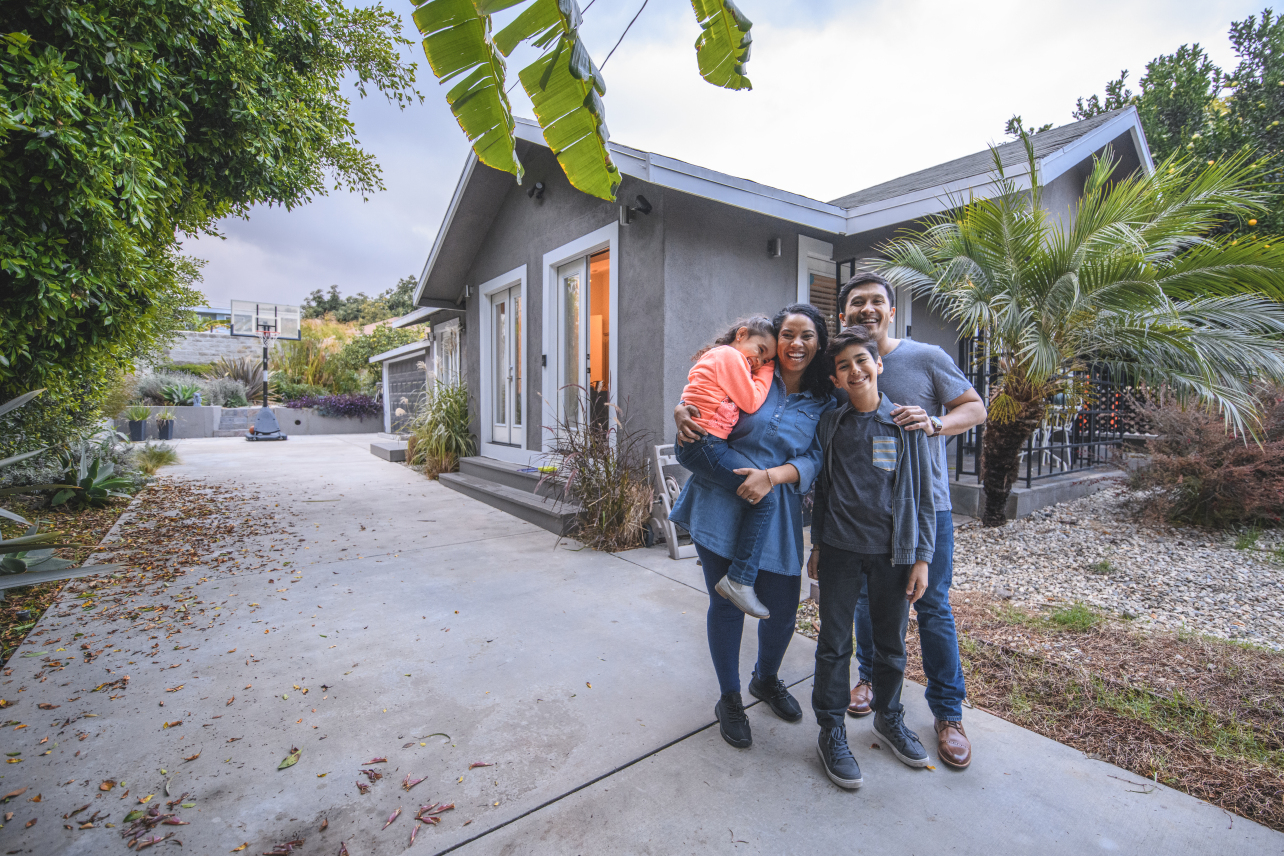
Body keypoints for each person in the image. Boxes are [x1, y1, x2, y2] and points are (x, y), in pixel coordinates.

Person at [836, 272, 987, 770]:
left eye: (877, 301)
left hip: (928, 506)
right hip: (867, 513)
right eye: (858, 303)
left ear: (891, 311)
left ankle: (948, 713)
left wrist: (936, 422)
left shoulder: (926, 357)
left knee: (932, 605)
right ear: (844, 315)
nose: (867, 309)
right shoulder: (841, 366)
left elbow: (975, 407)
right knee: (867, 599)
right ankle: (871, 680)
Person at [670, 304, 836, 750]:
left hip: (775, 506)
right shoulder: (753, 371)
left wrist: (775, 476)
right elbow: (705, 394)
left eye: (807, 337)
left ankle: (765, 679)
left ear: (819, 344)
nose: (795, 344)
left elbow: (819, 459)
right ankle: (729, 698)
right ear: (774, 339)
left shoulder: (824, 400)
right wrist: (682, 411)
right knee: (725, 603)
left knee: (782, 607)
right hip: (720, 501)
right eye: (787, 335)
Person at [807, 326, 936, 789]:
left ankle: (889, 716)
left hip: (893, 554)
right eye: (843, 366)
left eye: (862, 360)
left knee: (891, 644)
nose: (855, 370)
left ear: (879, 364)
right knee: (835, 644)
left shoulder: (904, 423)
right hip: (841, 551)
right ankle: (831, 730)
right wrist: (818, 545)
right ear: (836, 379)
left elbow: (921, 494)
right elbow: (823, 490)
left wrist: (921, 556)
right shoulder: (832, 424)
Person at [675, 316, 779, 619]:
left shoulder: (722, 357)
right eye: (760, 350)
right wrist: (770, 370)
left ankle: (710, 549)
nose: (759, 361)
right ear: (741, 334)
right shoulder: (730, 356)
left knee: (743, 496)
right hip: (705, 444)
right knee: (764, 500)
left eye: (766, 359)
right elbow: (751, 401)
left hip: (701, 443)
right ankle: (740, 580)